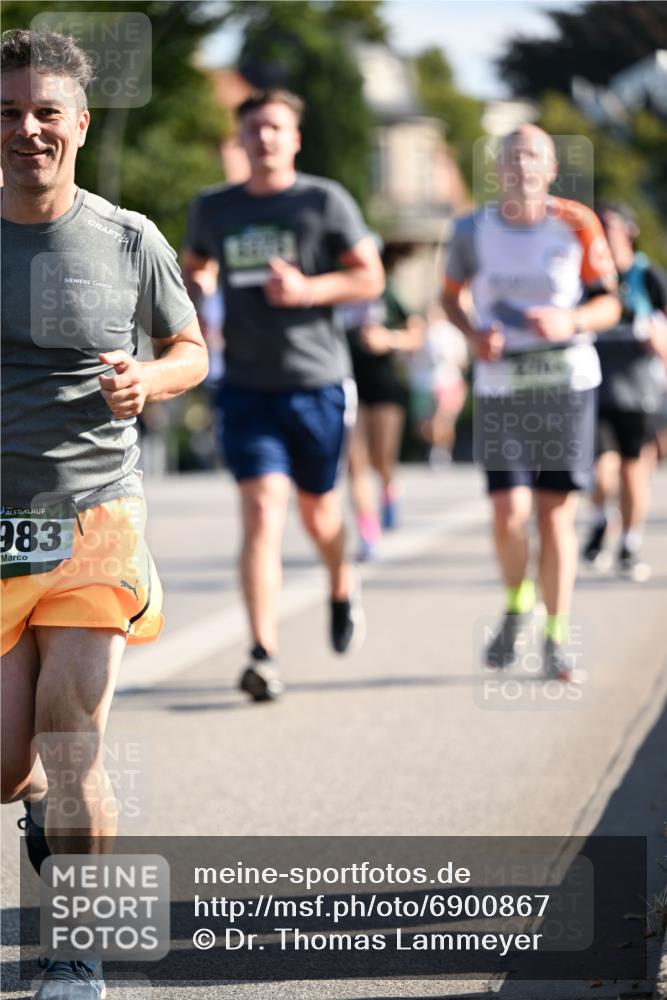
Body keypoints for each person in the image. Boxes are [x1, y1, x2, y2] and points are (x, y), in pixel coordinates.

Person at [1, 29, 208, 999]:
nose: (27, 129)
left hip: (95, 519)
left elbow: (191, 348)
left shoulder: (130, 237)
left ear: (80, 123)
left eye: (46, 112)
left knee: (71, 728)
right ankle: (33, 795)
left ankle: (72, 954)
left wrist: (151, 380)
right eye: (9, 112)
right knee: (12, 763)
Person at [183, 88, 384, 701]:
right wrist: (199, 285)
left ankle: (341, 580)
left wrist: (307, 289)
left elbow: (368, 276)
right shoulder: (214, 207)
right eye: (254, 129)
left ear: (294, 137)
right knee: (262, 508)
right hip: (245, 386)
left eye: (275, 128)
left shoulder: (323, 201)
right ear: (240, 141)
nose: (264, 138)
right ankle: (262, 651)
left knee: (319, 513)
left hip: (316, 383)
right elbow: (196, 269)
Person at [442, 125, 620, 680]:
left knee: (555, 512)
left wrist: (570, 320)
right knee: (508, 514)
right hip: (503, 389)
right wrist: (474, 332)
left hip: (566, 384)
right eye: (511, 155)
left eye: (532, 155)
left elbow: (611, 305)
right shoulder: (472, 228)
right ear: (497, 169)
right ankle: (519, 605)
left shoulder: (577, 223)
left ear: (550, 170)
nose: (521, 164)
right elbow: (448, 298)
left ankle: (557, 635)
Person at [582, 201, 667, 579]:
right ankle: (601, 520)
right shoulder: (588, 277)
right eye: (598, 225)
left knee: (634, 474)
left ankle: (629, 544)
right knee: (601, 474)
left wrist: (656, 341)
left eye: (610, 225)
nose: (603, 230)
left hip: (641, 392)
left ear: (628, 231)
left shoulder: (648, 276)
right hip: (595, 389)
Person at [340, 242, 424, 560]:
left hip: (384, 383)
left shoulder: (386, 290)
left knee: (381, 460)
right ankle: (368, 532)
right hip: (347, 382)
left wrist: (387, 339)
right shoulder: (334, 287)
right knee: (355, 463)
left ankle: (389, 490)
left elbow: (417, 334)